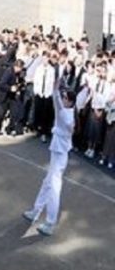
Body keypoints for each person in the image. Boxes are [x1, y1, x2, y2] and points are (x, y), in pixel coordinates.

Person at [24, 84, 87, 236]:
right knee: (47, 182)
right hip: (57, 152)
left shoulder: (65, 114)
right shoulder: (67, 112)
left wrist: (56, 87)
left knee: (54, 187)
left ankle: (50, 223)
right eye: (64, 97)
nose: (63, 99)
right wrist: (57, 87)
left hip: (60, 154)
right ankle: (36, 211)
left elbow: (56, 100)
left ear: (70, 102)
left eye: (66, 98)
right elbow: (57, 100)